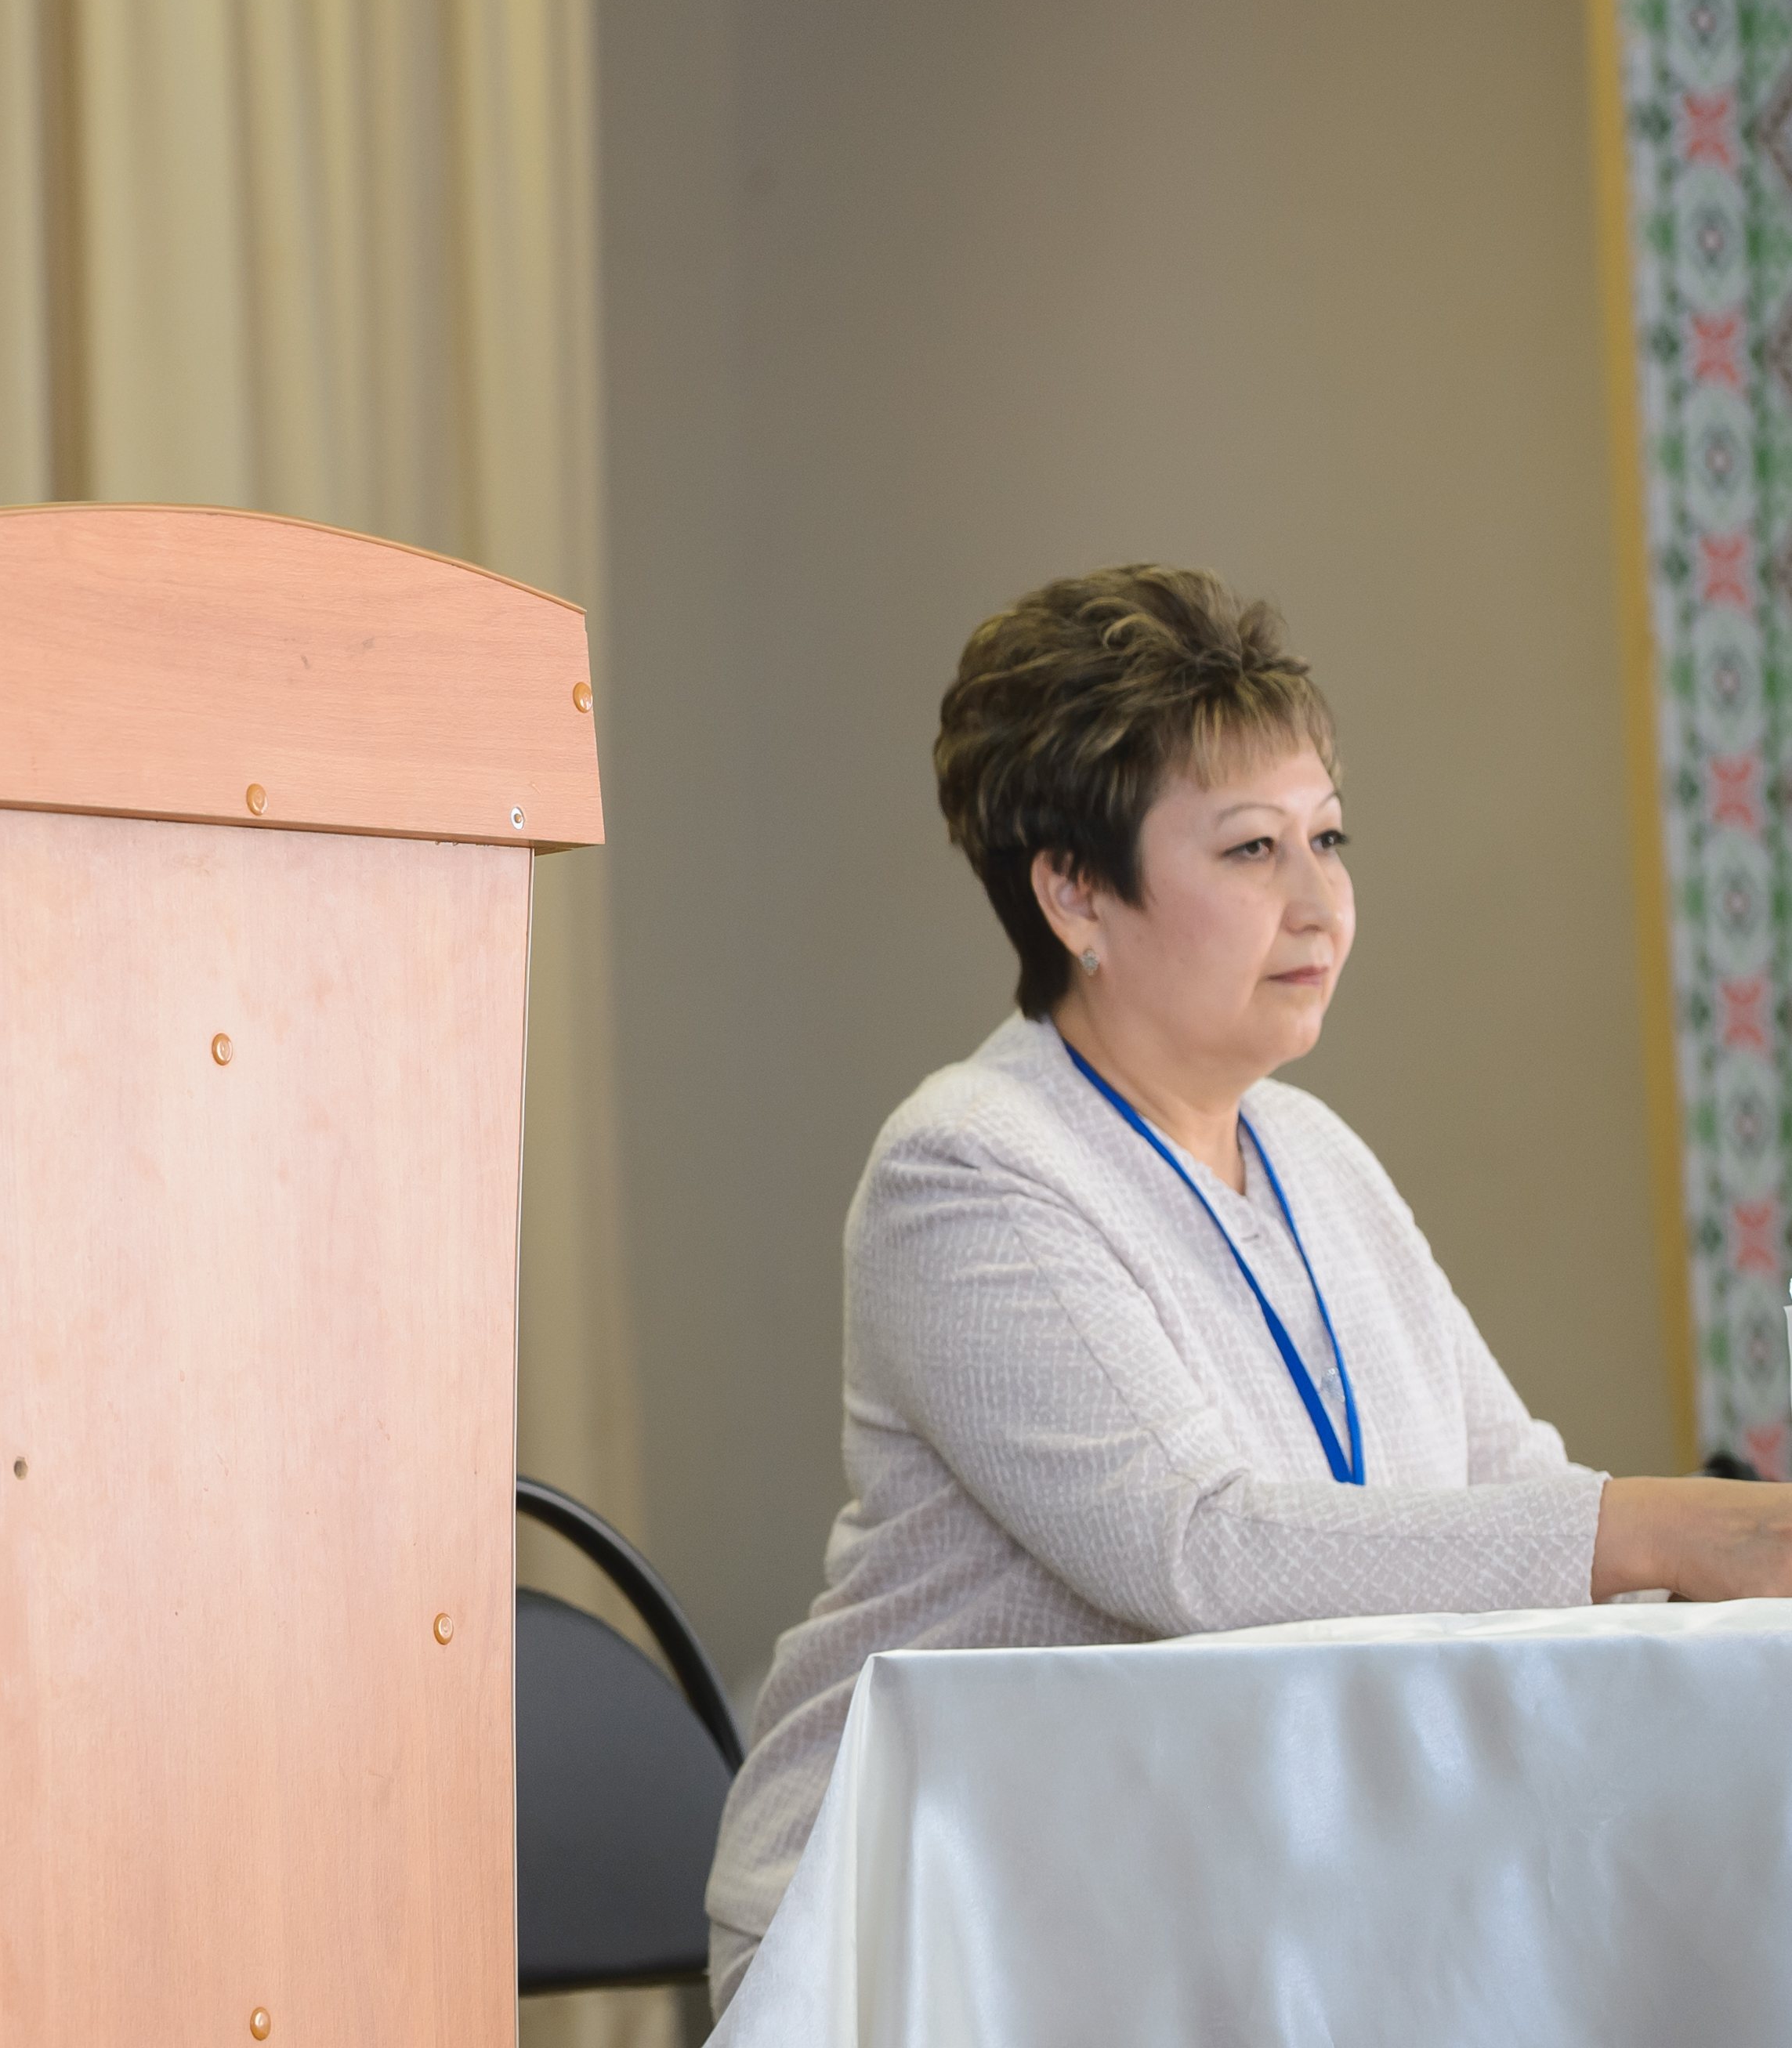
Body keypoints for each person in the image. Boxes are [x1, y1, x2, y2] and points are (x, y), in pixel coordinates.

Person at [703, 564, 1792, 2010]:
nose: (1320, 903)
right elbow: (1196, 1552)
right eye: (1252, 851)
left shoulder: (1315, 1153)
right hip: (935, 1923)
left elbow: (1513, 1491)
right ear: (1074, 892)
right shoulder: (965, 1168)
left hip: (1249, 1880)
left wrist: (1723, 1573)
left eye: (1327, 838)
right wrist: (1679, 1528)